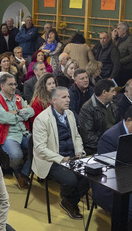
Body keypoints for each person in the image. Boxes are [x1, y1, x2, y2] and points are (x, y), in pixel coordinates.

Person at [31, 87, 91, 219]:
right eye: (64, 97)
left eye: (68, 97)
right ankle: (70, 201)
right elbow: (40, 148)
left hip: (72, 156)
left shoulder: (70, 114)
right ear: (54, 100)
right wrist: (60, 158)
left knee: (91, 175)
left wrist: (79, 150)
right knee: (71, 180)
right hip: (52, 159)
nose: (68, 100)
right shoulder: (42, 119)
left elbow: (76, 136)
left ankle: (69, 201)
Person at [0, 71, 34, 189]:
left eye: (15, 84)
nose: (14, 87)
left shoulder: (18, 98)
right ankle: (17, 171)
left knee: (40, 148)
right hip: (7, 135)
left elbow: (31, 111)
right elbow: (5, 119)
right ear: (2, 86)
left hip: (23, 132)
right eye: (10, 84)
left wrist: (15, 113)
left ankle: (23, 173)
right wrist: (22, 112)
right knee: (16, 155)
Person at [77, 78, 118, 155]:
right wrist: (108, 144)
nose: (115, 94)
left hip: (114, 145)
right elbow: (88, 138)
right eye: (112, 91)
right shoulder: (87, 109)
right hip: (98, 149)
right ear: (104, 92)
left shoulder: (114, 106)